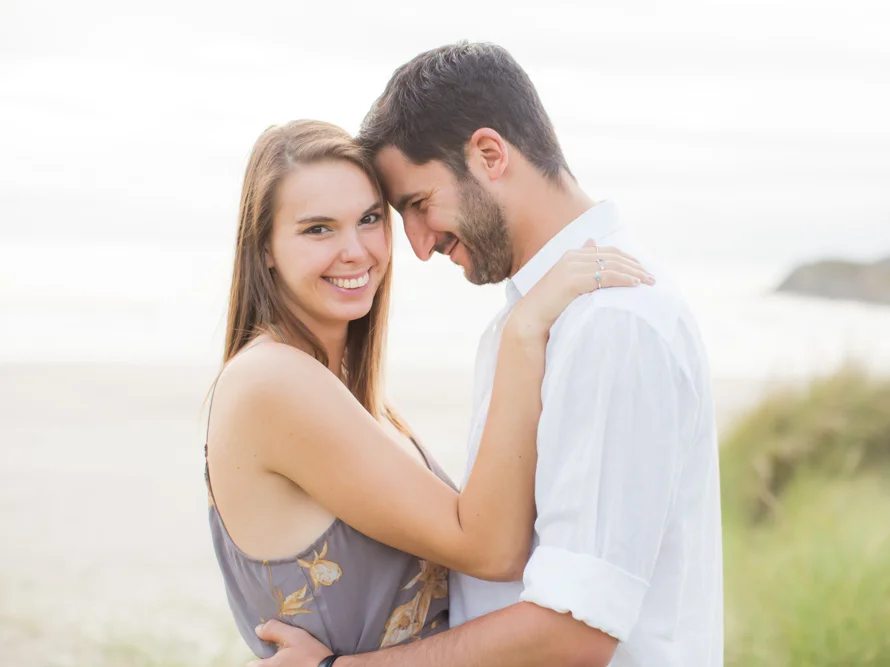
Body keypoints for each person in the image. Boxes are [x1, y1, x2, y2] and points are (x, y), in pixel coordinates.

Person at [252, 42, 724, 667]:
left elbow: (574, 632)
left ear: (489, 154)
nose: (418, 247)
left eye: (419, 205)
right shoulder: (545, 317)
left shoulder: (609, 322)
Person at [204, 120, 651, 660]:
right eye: (317, 229)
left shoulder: (344, 393)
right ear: (266, 247)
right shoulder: (271, 382)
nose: (355, 251)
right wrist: (523, 332)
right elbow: (489, 548)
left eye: (369, 219)